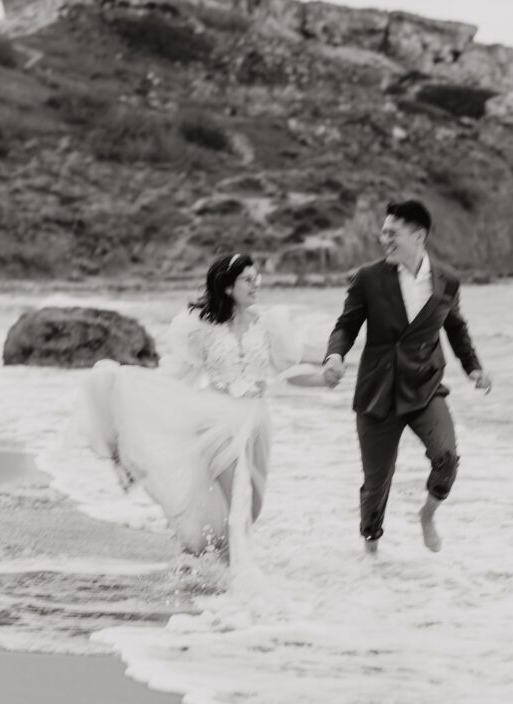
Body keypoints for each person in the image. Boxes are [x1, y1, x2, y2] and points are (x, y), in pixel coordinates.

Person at [81, 253, 328, 567]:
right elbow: (176, 376)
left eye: (257, 279)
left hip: (256, 422)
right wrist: (127, 388)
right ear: (228, 287)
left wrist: (323, 378)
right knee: (239, 503)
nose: (256, 286)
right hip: (215, 421)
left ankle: (215, 566)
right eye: (248, 280)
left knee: (251, 509)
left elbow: (287, 371)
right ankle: (242, 584)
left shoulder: (268, 325)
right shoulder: (201, 329)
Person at [322, 200, 491, 555]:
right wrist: (335, 356)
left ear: (418, 236)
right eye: (383, 232)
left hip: (425, 386)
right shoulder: (368, 277)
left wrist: (473, 367)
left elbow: (456, 328)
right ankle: (372, 551)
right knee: (376, 482)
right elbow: (346, 325)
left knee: (447, 456)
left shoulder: (447, 281)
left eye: (391, 232)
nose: (383, 238)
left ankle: (427, 515)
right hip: (377, 391)